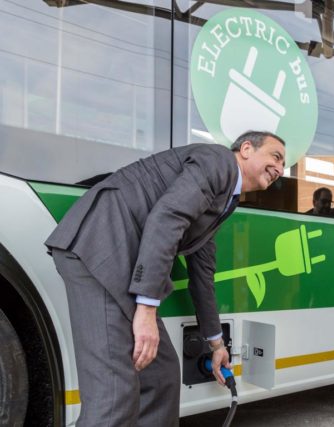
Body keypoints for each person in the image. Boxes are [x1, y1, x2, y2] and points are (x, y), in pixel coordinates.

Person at [45, 131, 286, 426]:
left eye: (284, 164)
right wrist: (146, 309)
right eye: (276, 156)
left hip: (120, 267)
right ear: (246, 149)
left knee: (161, 378)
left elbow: (202, 272)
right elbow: (167, 217)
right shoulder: (218, 162)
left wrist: (216, 345)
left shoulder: (224, 197)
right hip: (101, 252)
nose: (281, 169)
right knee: (114, 395)